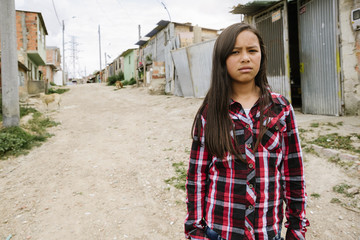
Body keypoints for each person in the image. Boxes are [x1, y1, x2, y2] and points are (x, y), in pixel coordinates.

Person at [184, 23, 309, 240]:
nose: (245, 58)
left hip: (267, 232)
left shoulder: (281, 109)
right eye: (235, 52)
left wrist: (296, 227)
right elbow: (197, 176)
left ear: (261, 55)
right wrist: (195, 230)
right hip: (221, 232)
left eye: (252, 50)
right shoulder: (210, 112)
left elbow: (293, 173)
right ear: (222, 59)